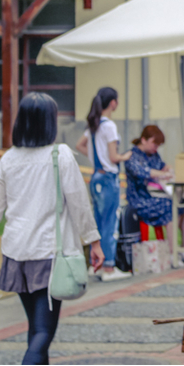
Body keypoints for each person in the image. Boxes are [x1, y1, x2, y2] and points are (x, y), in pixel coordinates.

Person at [0, 93, 103, 365]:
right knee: (44, 332)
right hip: (49, 254)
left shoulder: (8, 159)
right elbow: (79, 203)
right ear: (49, 122)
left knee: (35, 329)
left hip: (16, 252)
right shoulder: (61, 155)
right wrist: (94, 242)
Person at [75, 87, 133, 282]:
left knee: (98, 223)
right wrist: (126, 155)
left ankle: (96, 265)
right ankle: (108, 266)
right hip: (108, 179)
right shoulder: (109, 126)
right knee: (110, 223)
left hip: (95, 177)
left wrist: (93, 157)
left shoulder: (94, 124)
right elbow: (114, 156)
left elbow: (79, 144)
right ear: (113, 103)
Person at [124, 125, 184, 266]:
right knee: (169, 207)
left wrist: (167, 169)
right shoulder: (132, 156)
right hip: (140, 201)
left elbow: (162, 166)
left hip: (159, 196)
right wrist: (162, 174)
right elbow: (142, 172)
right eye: (154, 143)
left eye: (158, 145)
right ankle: (173, 253)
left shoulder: (154, 155)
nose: (156, 148)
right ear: (144, 140)